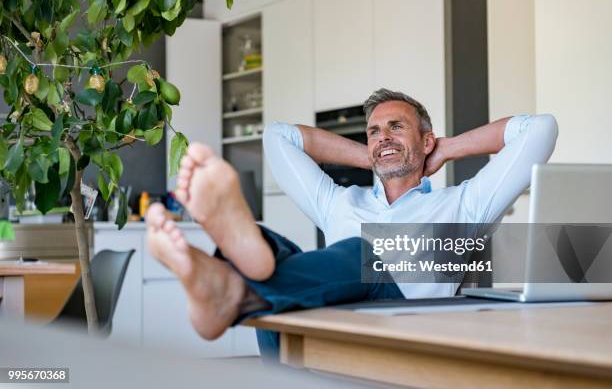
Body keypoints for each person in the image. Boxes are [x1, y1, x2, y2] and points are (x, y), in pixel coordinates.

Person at [146, 88, 558, 359]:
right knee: (275, 250)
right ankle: (235, 281)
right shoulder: (341, 201)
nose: (384, 137)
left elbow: (540, 130)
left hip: (399, 339)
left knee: (363, 253)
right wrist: (375, 155)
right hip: (319, 331)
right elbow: (278, 137)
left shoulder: (465, 207)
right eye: (374, 132)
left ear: (426, 140)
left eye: (397, 127)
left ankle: (231, 284)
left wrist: (444, 151)